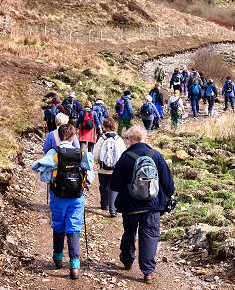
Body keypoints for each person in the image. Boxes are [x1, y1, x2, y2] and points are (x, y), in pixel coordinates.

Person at [110, 125, 175, 284]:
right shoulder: (156, 156)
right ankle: (147, 272)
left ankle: (127, 260)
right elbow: (169, 185)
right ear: (144, 138)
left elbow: (115, 185)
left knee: (129, 233)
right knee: (150, 235)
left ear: (131, 140)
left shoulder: (125, 158)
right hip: (152, 205)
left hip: (130, 206)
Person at [32, 124, 94, 280]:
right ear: (73, 137)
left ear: (59, 137)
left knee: (58, 224)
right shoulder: (81, 153)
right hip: (76, 197)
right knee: (74, 226)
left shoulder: (54, 153)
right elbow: (90, 178)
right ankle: (74, 266)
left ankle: (58, 257)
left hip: (58, 196)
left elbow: (42, 173)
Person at [93, 117, 126, 217]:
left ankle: (104, 205)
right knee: (114, 188)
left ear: (104, 126)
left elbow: (95, 155)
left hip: (103, 169)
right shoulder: (119, 139)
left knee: (103, 187)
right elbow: (124, 153)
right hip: (115, 169)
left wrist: (98, 161)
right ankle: (113, 209)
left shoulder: (102, 139)